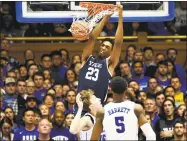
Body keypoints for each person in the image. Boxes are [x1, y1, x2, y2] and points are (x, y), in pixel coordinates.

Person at [77, 5, 123, 104]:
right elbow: (92, 37)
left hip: (96, 107)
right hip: (80, 105)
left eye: (107, 47)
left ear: (111, 52)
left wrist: (120, 17)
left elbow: (118, 43)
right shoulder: (87, 59)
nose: (103, 48)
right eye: (103, 45)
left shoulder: (109, 64)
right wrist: (106, 17)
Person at [90, 76, 156, 140]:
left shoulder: (102, 111)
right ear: (126, 89)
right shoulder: (136, 108)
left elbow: (94, 139)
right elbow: (151, 135)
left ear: (111, 89)